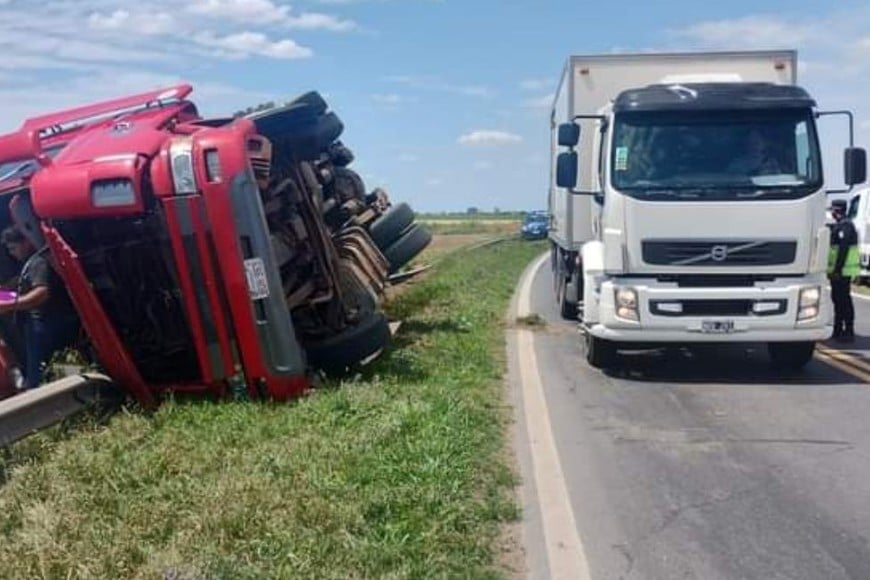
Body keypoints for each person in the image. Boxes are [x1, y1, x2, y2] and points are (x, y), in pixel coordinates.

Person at [0, 226, 80, 389]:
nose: (12, 253)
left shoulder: (38, 262)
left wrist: (9, 305)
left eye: (13, 248)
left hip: (46, 323)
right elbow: (19, 284)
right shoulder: (30, 264)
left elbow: (41, 293)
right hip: (42, 324)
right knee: (57, 365)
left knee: (38, 375)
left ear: (26, 243)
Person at [828, 199, 860, 342]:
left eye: (833, 210)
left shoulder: (846, 226)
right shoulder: (840, 225)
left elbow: (843, 249)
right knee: (838, 300)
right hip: (839, 271)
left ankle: (848, 330)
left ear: (836, 210)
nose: (832, 213)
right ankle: (838, 329)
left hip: (842, 271)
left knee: (843, 301)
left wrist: (837, 269)